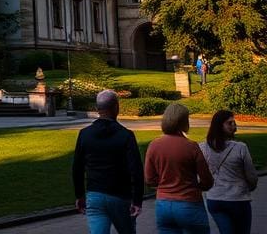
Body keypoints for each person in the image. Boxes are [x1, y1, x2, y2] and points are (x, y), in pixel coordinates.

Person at [72, 89, 144, 234]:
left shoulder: (85, 134)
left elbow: (77, 168)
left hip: (95, 194)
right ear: (116, 107)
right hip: (120, 195)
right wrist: (137, 200)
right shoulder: (126, 135)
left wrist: (80, 195)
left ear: (98, 109)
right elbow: (136, 170)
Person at [145, 102, 214, 233]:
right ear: (184, 121)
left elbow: (149, 179)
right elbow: (206, 180)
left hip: (163, 205)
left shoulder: (154, 145)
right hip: (189, 203)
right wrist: (198, 187)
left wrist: (164, 185)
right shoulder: (191, 146)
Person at [200, 110, 258, 234]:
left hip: (214, 199)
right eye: (230, 123)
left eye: (234, 122)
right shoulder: (240, 148)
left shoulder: (203, 148)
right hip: (238, 199)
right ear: (219, 126)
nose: (234, 126)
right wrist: (251, 187)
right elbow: (251, 175)